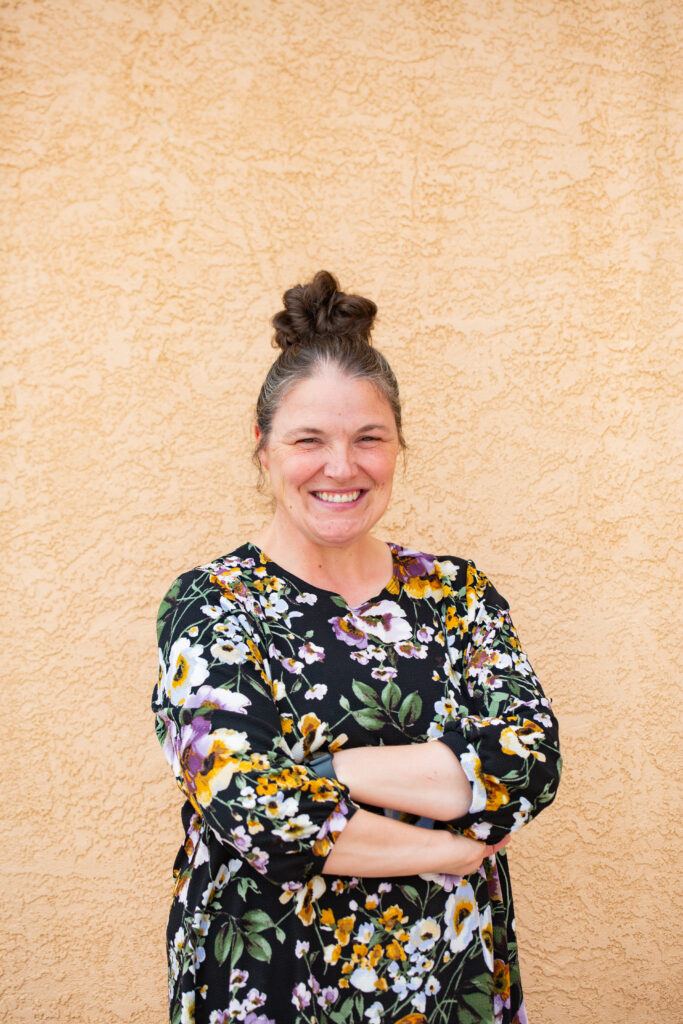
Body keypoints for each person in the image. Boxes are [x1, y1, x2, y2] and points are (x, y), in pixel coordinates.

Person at [153, 270, 562, 1024]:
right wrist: (455, 847)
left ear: (396, 445)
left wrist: (327, 771)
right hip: (270, 982)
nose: (341, 467)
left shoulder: (454, 594)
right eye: (309, 439)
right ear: (264, 448)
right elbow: (254, 810)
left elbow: (528, 765)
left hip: (449, 976)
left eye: (367, 439)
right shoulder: (213, 604)